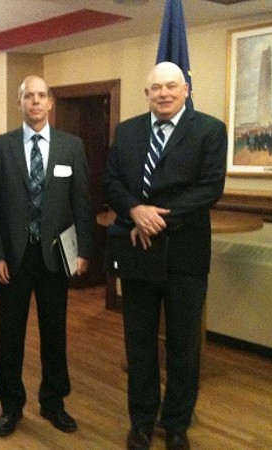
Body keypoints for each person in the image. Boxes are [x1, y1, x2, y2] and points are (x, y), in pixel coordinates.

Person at [102, 62, 227, 450]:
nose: (164, 93)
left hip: (185, 255)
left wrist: (155, 218)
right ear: (147, 94)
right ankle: (140, 421)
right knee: (138, 341)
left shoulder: (209, 130)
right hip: (138, 251)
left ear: (186, 89)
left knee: (183, 345)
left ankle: (176, 422)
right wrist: (134, 211)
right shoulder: (127, 132)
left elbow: (210, 188)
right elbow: (111, 182)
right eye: (156, 88)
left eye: (172, 86)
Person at [0, 75, 95, 438]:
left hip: (54, 257)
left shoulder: (71, 146)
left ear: (50, 103)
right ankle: (10, 405)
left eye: (41, 96)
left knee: (54, 332)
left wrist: (84, 250)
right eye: (28, 96)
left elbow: (81, 202)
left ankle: (54, 402)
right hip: (13, 259)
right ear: (20, 103)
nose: (35, 102)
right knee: (10, 335)